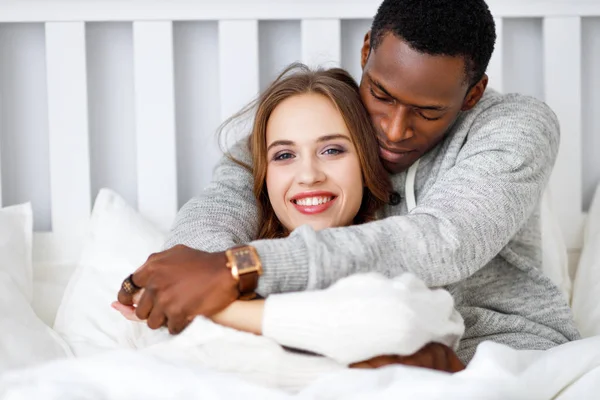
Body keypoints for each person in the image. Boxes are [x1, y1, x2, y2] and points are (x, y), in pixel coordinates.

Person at [118, 0, 580, 368]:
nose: (395, 129)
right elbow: (220, 205)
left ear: (472, 94)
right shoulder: (327, 117)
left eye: (428, 111)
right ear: (365, 54)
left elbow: (443, 240)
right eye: (380, 94)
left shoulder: (516, 125)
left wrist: (239, 267)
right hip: (356, 348)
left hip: (501, 353)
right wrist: (193, 272)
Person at [114, 64, 466, 373]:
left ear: (366, 162)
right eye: (284, 155)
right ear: (263, 176)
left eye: (332, 150)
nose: (309, 175)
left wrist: (214, 306)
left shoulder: (399, 266)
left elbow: (400, 326)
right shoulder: (221, 258)